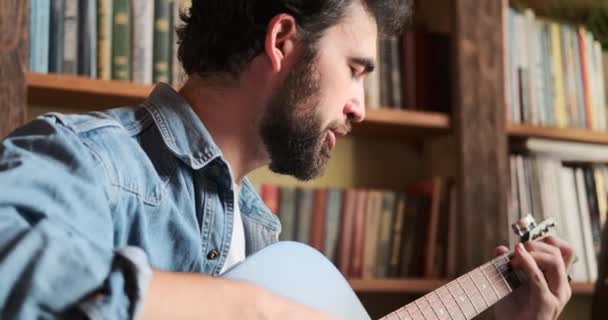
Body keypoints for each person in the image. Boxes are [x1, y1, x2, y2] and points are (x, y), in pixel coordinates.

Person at [0, 0, 574, 319]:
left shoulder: (261, 240)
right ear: (281, 40)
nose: (360, 108)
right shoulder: (93, 159)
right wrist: (253, 310)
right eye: (355, 70)